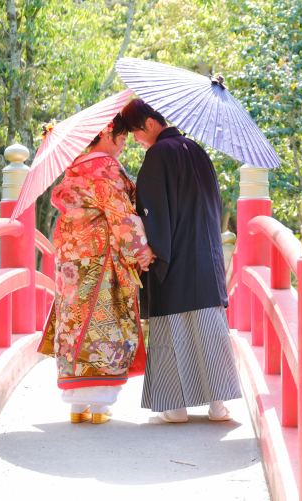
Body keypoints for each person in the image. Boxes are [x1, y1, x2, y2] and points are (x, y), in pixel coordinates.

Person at [121, 98, 242, 423]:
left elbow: (152, 209)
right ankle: (218, 406)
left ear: (148, 124)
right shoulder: (197, 151)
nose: (134, 138)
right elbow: (214, 206)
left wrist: (154, 248)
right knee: (210, 330)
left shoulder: (158, 155)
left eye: (134, 131)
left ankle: (175, 408)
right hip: (206, 254)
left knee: (172, 330)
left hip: (174, 257)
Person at [38, 114, 155, 424]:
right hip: (101, 257)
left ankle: (77, 408)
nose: (126, 139)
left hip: (72, 258)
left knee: (74, 317)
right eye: (121, 134)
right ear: (106, 133)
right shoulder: (104, 168)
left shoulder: (75, 167)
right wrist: (141, 251)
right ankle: (100, 406)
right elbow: (120, 214)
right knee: (104, 318)